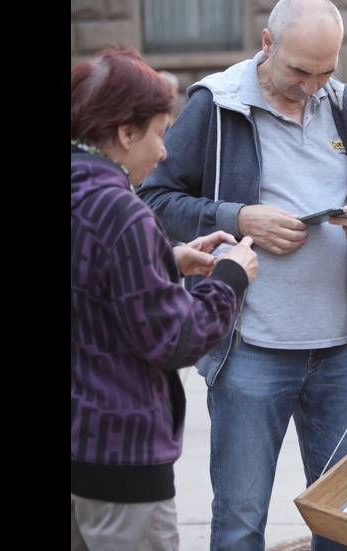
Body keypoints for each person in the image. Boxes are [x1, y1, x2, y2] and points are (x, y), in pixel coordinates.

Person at [135, 1, 347, 549]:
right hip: (251, 349)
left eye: (327, 71)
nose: (312, 86)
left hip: (339, 351)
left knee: (345, 520)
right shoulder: (216, 104)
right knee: (241, 520)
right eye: (300, 70)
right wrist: (237, 216)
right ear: (267, 43)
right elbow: (153, 199)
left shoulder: (343, 104)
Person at [71, 46, 259, 551]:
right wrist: (229, 279)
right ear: (124, 132)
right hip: (119, 456)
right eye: (158, 132)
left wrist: (165, 259)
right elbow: (173, 340)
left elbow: (88, 278)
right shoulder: (123, 213)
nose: (163, 152)